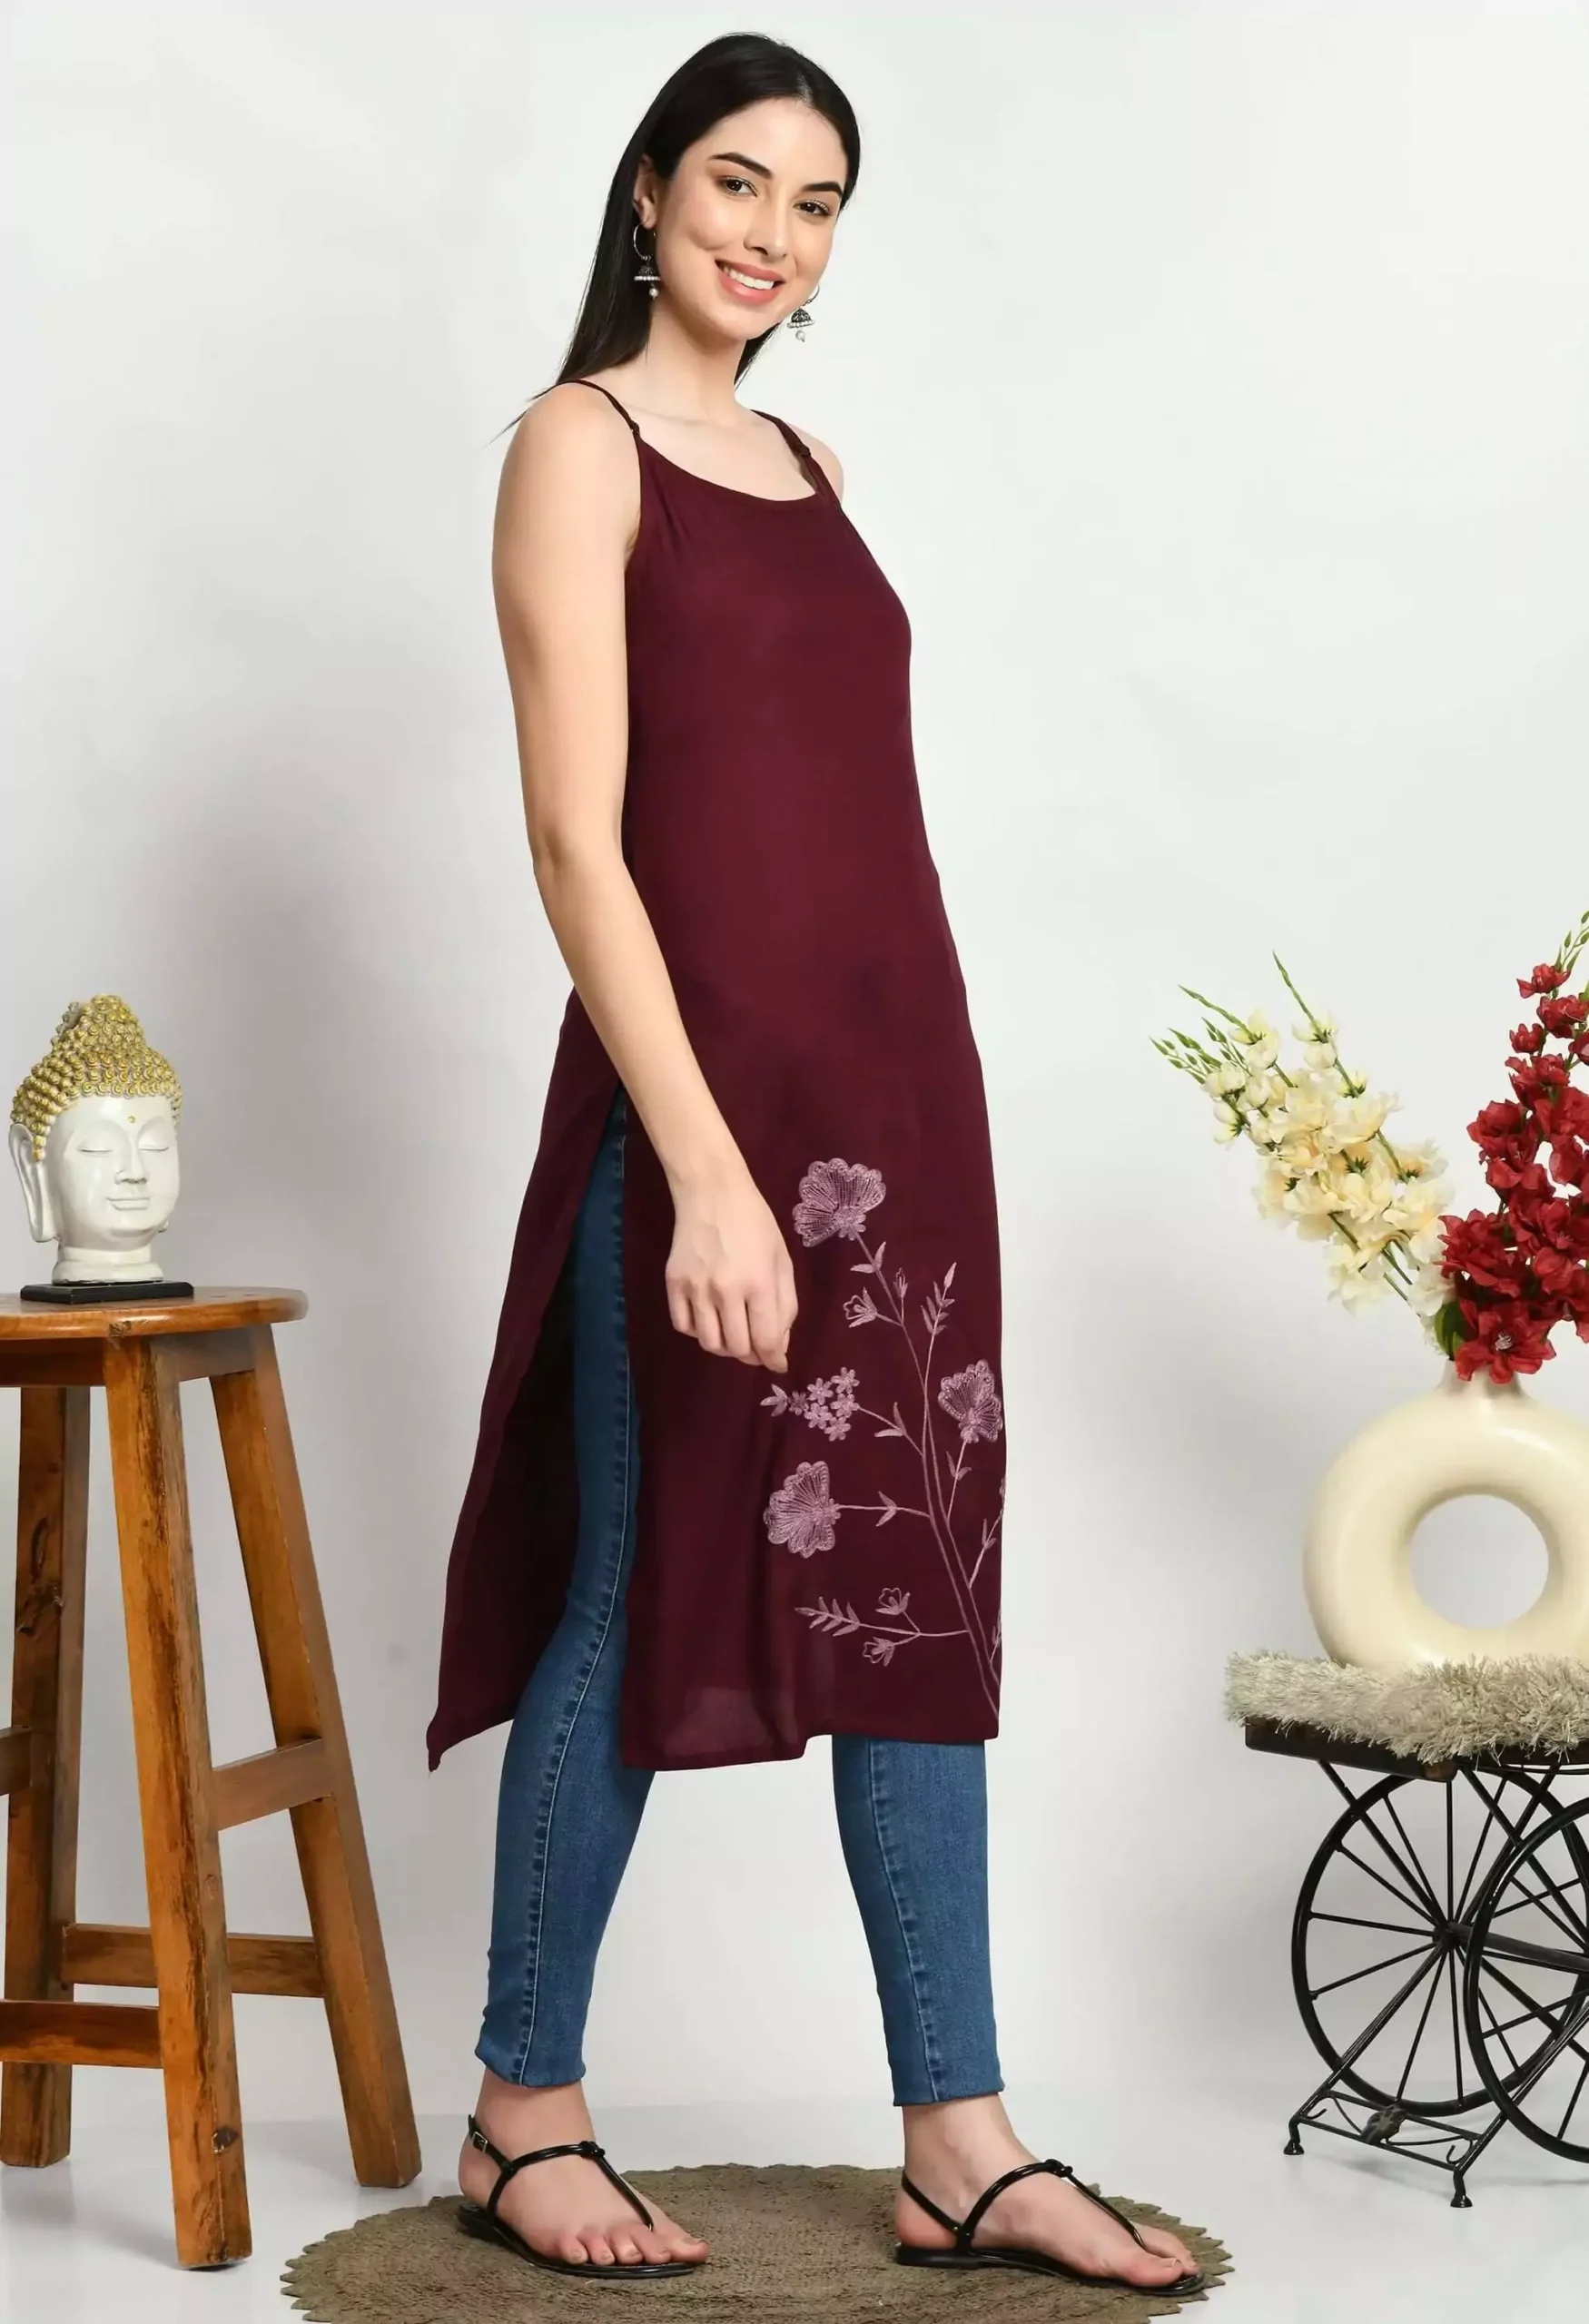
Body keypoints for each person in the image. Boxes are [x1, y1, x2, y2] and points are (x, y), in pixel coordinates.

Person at [427, 29, 1201, 2297]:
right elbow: (577, 841)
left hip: (895, 1112)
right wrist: (699, 1167)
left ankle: (959, 2137)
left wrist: (887, 1120)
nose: (772, 234)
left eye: (817, 201)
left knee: (917, 1592)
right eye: (736, 183)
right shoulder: (576, 447)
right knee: (634, 1580)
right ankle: (519, 2105)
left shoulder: (806, 461)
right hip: (706, 1121)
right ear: (648, 191)